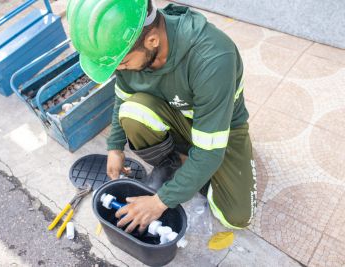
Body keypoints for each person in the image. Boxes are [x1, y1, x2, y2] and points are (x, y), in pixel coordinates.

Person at [67, 0, 257, 233]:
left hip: (221, 128)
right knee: (132, 111)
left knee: (237, 217)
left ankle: (194, 168)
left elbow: (209, 151)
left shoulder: (213, 58)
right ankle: (180, 161)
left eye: (123, 63)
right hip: (176, 116)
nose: (120, 69)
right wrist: (114, 148)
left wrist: (159, 202)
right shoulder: (130, 49)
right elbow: (123, 98)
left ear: (152, 40)